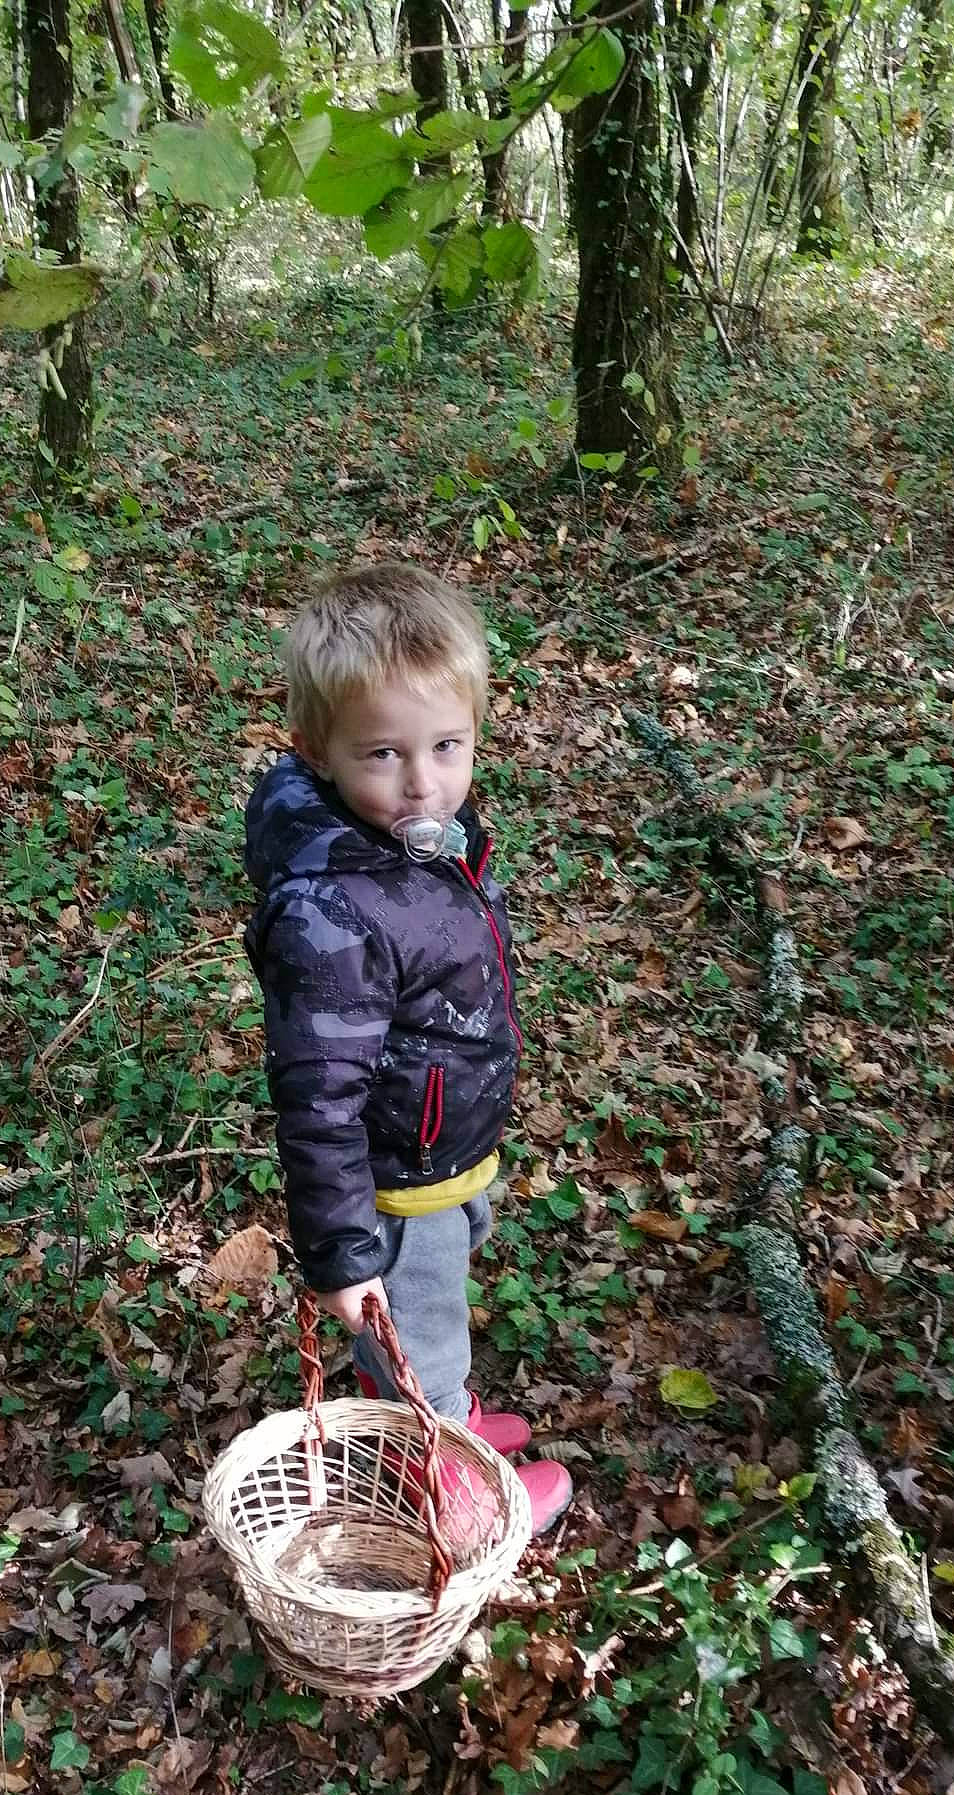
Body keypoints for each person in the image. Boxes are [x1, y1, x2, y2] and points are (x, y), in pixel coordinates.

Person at [243, 563, 571, 1536]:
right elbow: (319, 1097)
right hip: (394, 1180)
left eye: (447, 745)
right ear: (319, 750)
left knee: (436, 1316)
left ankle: (450, 1418)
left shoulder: (418, 842)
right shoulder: (333, 906)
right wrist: (342, 1253)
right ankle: (448, 1490)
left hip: (443, 1145)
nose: (423, 780)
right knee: (416, 1327)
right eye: (384, 752)